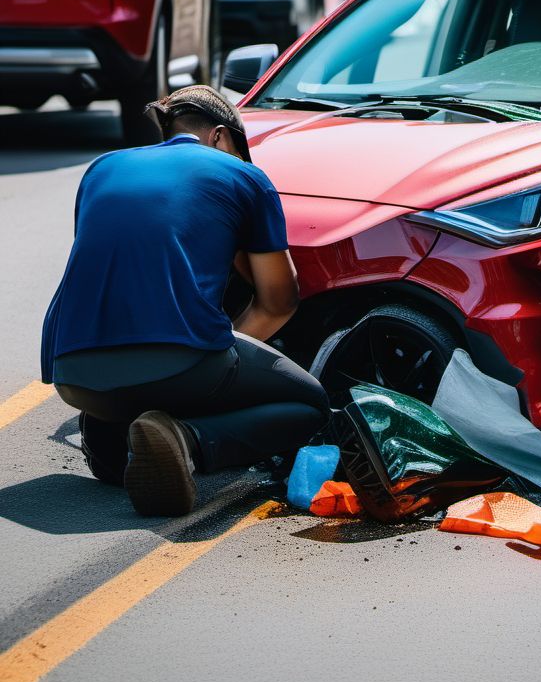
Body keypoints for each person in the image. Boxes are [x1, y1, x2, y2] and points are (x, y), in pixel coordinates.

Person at [40, 85, 330, 517]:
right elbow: (279, 301)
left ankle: (112, 437)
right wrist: (225, 350)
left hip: (72, 373)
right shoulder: (243, 176)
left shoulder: (103, 168)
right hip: (175, 364)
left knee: (135, 412)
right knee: (310, 405)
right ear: (219, 136)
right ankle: (188, 440)